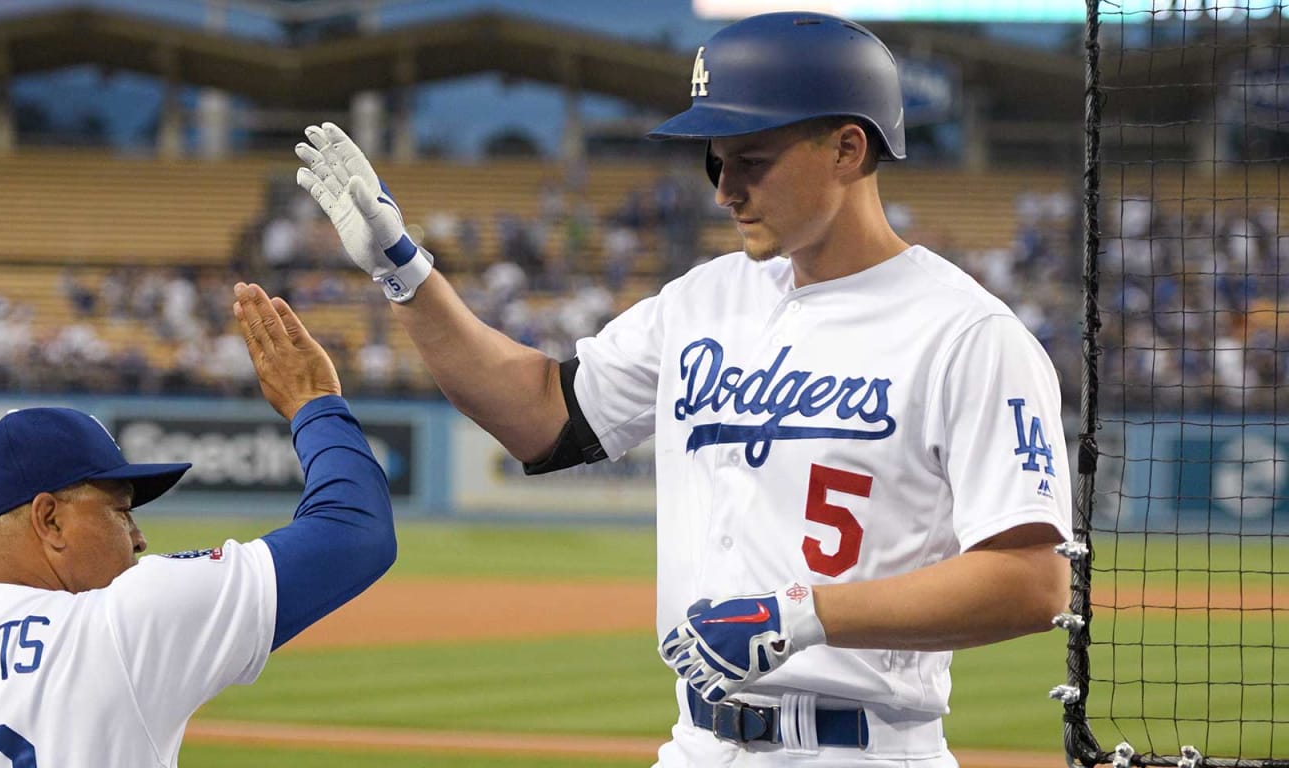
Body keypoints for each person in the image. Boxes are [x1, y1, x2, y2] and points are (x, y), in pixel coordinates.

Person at [295, 11, 1070, 768]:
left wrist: (804, 616)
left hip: (861, 748)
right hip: (696, 744)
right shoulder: (704, 299)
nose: (725, 189)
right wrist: (404, 270)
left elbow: (1032, 581)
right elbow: (537, 413)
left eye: (752, 159)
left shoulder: (966, 332)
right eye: (716, 160)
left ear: (846, 147)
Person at [0, 283, 395, 767]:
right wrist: (314, 402)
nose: (140, 537)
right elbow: (354, 531)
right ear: (49, 519)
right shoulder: (118, 626)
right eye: (120, 510)